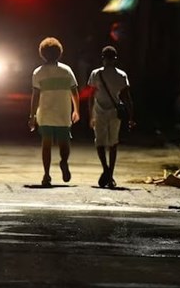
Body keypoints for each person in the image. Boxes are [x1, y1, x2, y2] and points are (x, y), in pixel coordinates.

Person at [28, 37, 81, 187]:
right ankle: (64, 161)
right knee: (64, 144)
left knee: (46, 145)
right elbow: (74, 92)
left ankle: (46, 175)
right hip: (63, 113)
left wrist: (32, 116)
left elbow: (35, 96)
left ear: (42, 54)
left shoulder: (38, 72)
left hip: (45, 114)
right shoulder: (66, 70)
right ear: (59, 53)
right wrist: (76, 110)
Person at [87, 45, 134, 188]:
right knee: (113, 143)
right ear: (115, 59)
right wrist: (131, 116)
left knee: (100, 142)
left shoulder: (95, 74)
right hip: (115, 112)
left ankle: (106, 170)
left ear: (102, 58)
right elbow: (127, 98)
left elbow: (90, 95)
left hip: (99, 111)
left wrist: (90, 114)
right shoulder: (122, 75)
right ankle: (110, 174)